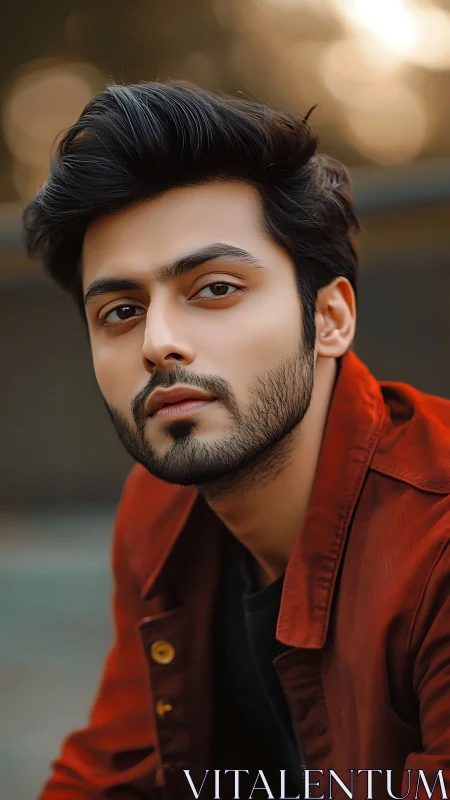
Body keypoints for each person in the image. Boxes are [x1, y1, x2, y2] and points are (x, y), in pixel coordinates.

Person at [23, 81, 450, 800]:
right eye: (121, 311)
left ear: (333, 318)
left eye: (215, 288)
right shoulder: (159, 509)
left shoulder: (434, 541)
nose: (159, 343)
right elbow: (112, 773)